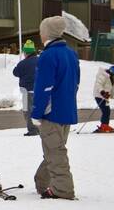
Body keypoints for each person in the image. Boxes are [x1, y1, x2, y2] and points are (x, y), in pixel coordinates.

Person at [31, 14, 79, 200]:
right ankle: (42, 182)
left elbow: (44, 88)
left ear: (46, 33)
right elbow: (75, 84)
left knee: (55, 152)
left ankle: (63, 189)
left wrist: (37, 112)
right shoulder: (71, 54)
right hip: (66, 111)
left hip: (51, 113)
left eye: (41, 31)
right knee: (53, 150)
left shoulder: (48, 56)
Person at [12, 39, 40, 136]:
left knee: (28, 111)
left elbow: (15, 72)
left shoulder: (23, 63)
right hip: (39, 90)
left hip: (27, 91)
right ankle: (40, 128)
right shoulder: (40, 60)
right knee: (39, 109)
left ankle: (33, 130)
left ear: (26, 52)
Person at [92, 64, 114, 133]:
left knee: (106, 111)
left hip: (104, 96)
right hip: (100, 96)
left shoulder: (109, 77)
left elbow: (109, 84)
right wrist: (102, 92)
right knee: (106, 111)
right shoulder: (103, 75)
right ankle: (104, 126)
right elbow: (98, 84)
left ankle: (104, 125)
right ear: (112, 72)